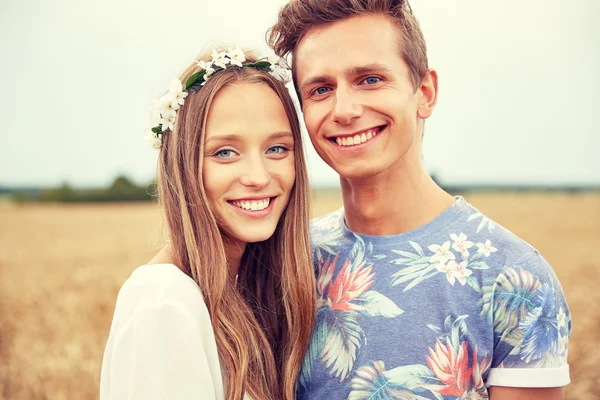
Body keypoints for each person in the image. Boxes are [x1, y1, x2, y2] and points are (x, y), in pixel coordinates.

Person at [267, 1, 572, 399]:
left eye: (370, 79)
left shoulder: (515, 279)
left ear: (424, 93)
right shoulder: (285, 261)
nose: (344, 109)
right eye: (321, 89)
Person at [99, 48, 316, 400]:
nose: (259, 177)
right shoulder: (164, 305)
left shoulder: (247, 293)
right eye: (225, 153)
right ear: (183, 166)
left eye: (277, 149)